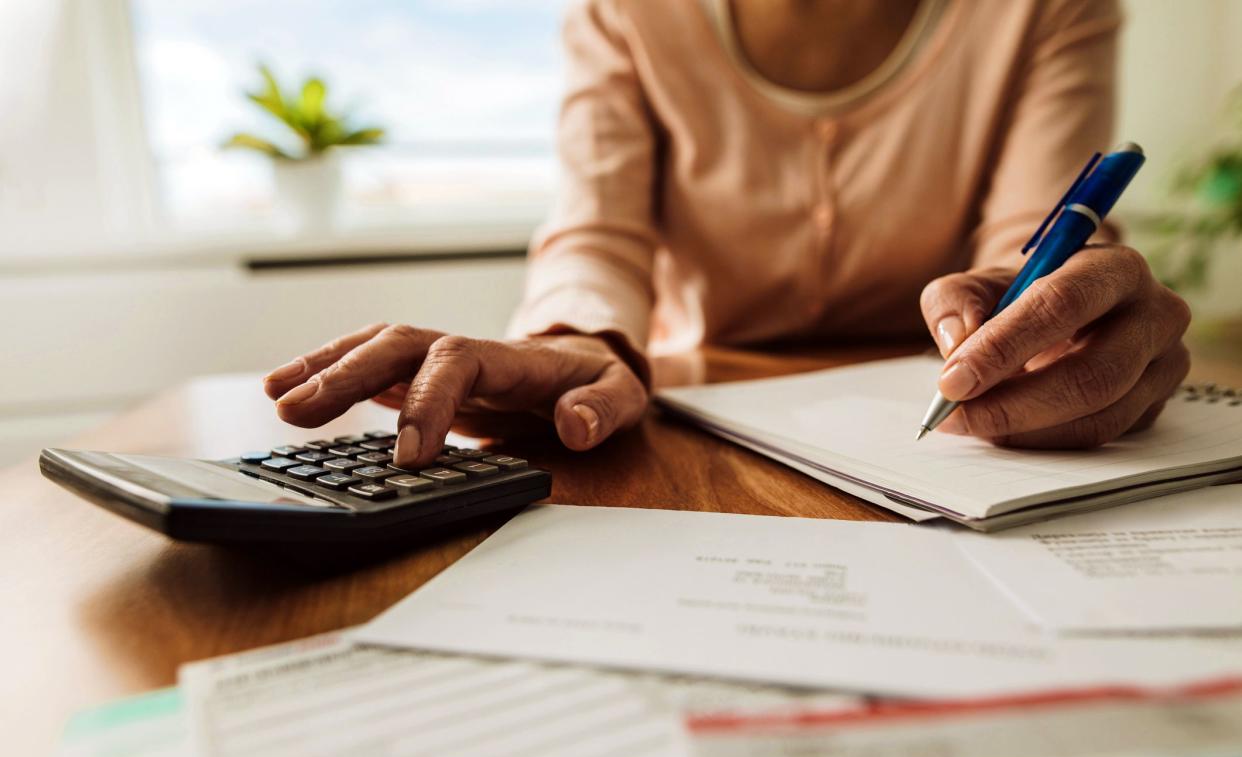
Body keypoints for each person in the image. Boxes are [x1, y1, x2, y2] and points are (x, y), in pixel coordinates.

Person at [263, 0, 1191, 468]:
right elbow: (598, 234)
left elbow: (1030, 240)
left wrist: (1054, 312)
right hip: (696, 424)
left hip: (951, 431)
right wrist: (574, 338)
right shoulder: (627, 12)